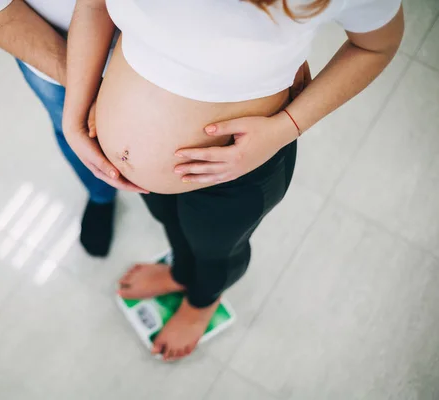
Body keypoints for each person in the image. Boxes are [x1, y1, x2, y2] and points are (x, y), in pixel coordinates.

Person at [63, 0, 404, 361]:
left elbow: (376, 44)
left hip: (237, 173)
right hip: (135, 176)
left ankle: (201, 304)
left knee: (217, 251)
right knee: (171, 222)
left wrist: (284, 128)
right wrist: (74, 112)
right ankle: (180, 272)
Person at [0, 0, 147, 256]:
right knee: (76, 134)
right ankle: (101, 195)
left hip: (158, 44)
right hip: (48, 47)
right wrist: (83, 90)